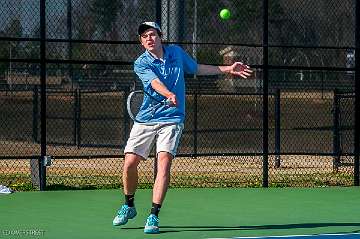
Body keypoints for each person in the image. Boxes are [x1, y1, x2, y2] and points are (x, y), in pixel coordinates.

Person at [112, 21, 253, 234]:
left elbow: (196, 68)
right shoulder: (141, 63)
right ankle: (129, 205)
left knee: (164, 162)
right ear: (141, 43)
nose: (149, 38)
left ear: (160, 36)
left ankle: (153, 215)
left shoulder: (176, 53)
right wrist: (168, 94)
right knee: (129, 163)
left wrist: (227, 69)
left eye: (152, 34)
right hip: (146, 118)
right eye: (144, 37)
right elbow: (154, 83)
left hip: (172, 118)